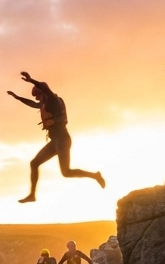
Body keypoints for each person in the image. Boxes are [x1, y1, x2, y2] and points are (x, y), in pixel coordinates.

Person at [8, 72, 105, 203]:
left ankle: (95, 175)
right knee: (34, 163)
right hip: (55, 141)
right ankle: (32, 195)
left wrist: (31, 80)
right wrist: (18, 98)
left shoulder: (53, 100)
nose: (37, 99)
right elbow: (33, 104)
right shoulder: (44, 103)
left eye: (38, 96)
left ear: (42, 93)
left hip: (63, 139)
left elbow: (44, 86)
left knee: (66, 172)